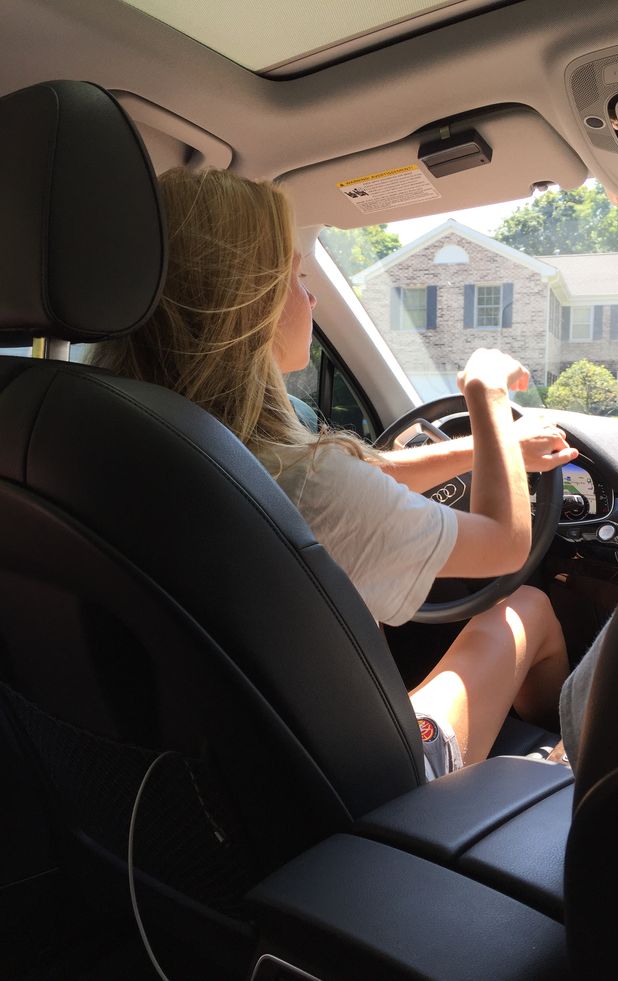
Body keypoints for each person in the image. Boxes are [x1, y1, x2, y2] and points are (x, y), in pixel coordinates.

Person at [91, 168, 578, 777]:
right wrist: (487, 397)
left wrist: (482, 450)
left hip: (200, 774)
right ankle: (554, 774)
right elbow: (505, 545)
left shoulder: (121, 437)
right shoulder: (309, 487)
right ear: (249, 305)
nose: (310, 296)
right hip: (366, 785)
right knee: (526, 608)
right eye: (295, 278)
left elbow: (368, 475)